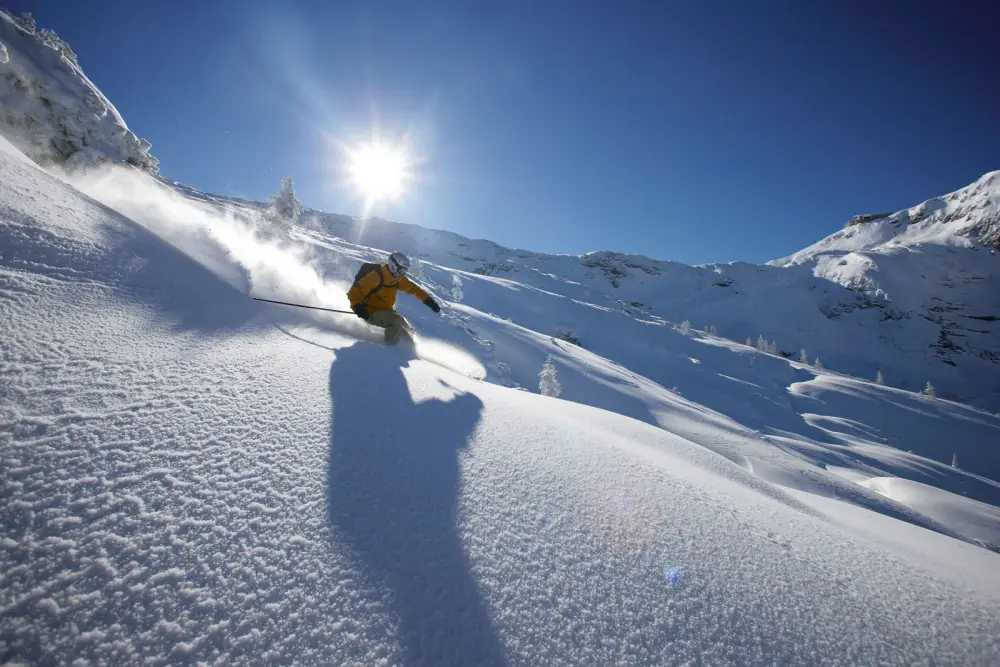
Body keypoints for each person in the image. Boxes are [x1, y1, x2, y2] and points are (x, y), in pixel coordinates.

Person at [347, 252, 441, 344]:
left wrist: (429, 301)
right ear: (393, 266)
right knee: (396, 321)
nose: (403, 274)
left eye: (405, 271)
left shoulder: (397, 279)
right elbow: (354, 292)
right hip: (369, 311)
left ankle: (408, 348)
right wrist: (357, 307)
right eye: (402, 270)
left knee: (407, 329)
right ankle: (390, 349)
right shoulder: (376, 276)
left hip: (386, 311)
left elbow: (415, 289)